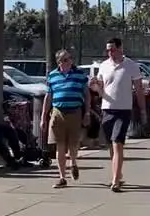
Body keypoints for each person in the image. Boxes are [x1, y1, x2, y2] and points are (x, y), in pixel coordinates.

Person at [90, 37, 144, 192]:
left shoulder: (131, 66)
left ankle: (115, 181)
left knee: (118, 142)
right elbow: (100, 90)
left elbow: (139, 89)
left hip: (123, 110)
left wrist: (142, 110)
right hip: (107, 109)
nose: (110, 52)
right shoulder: (104, 66)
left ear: (121, 48)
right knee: (111, 145)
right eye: (107, 50)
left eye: (112, 49)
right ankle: (118, 173)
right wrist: (94, 86)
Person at [40, 49, 88, 189]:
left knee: (73, 144)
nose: (70, 61)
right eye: (66, 59)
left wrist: (87, 112)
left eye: (70, 58)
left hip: (75, 111)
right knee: (59, 145)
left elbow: (86, 94)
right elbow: (48, 97)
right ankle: (62, 177)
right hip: (58, 112)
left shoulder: (79, 74)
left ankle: (73, 163)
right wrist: (43, 117)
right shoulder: (53, 76)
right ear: (59, 62)